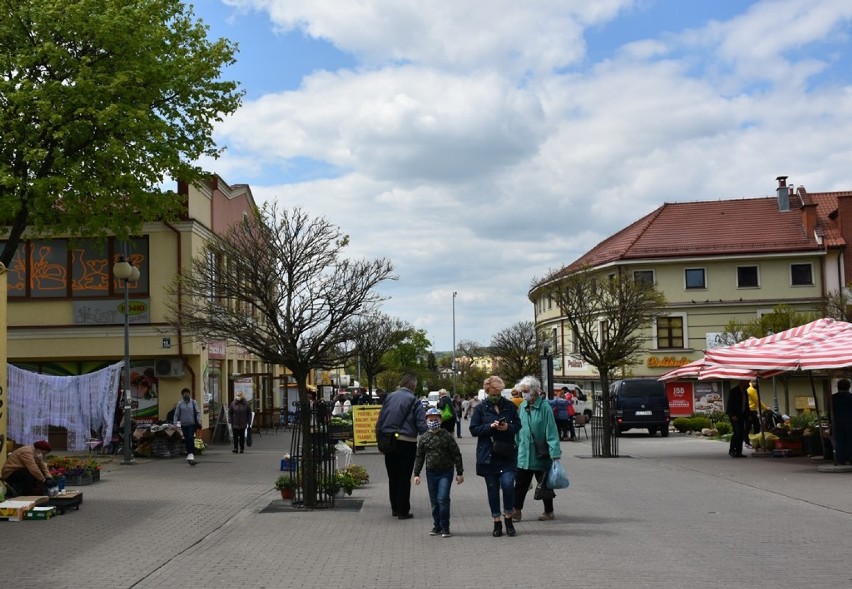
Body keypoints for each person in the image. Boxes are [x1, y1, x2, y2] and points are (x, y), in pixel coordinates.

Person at [470, 375, 521, 537]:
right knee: (492, 489)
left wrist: (507, 427)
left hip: (507, 454)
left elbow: (518, 425)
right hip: (488, 455)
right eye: (493, 394)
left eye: (498, 393)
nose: (496, 397)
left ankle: (508, 518)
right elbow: (474, 429)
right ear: (487, 392)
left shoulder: (509, 406)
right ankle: (497, 521)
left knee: (507, 485)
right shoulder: (480, 408)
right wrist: (489, 427)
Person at [375, 373, 427, 519]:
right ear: (413, 386)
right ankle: (403, 510)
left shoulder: (390, 397)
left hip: (389, 441)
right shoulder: (414, 401)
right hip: (407, 442)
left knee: (393, 476)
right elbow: (421, 425)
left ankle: (395, 508)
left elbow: (381, 419)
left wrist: (379, 439)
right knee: (404, 476)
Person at [512, 376, 562, 522]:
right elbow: (518, 428)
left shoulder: (544, 407)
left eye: (526, 391)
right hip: (524, 454)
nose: (524, 394)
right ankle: (517, 510)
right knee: (520, 484)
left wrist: (555, 453)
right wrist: (516, 444)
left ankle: (549, 511)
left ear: (534, 391)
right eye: (522, 391)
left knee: (544, 485)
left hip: (541, 454)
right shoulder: (522, 406)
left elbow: (551, 431)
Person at [413, 408, 464, 538]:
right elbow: (419, 457)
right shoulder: (424, 438)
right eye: (430, 420)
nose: (433, 422)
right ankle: (437, 526)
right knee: (434, 501)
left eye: (436, 419)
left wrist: (459, 472)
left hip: (446, 472)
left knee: (443, 498)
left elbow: (456, 454)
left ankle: (445, 527)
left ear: (440, 420)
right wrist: (416, 474)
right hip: (431, 473)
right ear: (426, 421)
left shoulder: (446, 436)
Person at [174, 388, 203, 462]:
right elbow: (176, 414)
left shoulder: (193, 402)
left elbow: (198, 412)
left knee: (190, 437)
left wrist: (199, 420)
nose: (186, 395)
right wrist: (175, 424)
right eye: (184, 394)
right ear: (182, 395)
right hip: (184, 424)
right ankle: (189, 452)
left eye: (187, 393)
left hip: (192, 424)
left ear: (189, 394)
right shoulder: (180, 404)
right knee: (186, 439)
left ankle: (191, 453)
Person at [831, 378, 852, 465]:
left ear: (838, 387)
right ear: (849, 387)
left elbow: (830, 411)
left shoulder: (833, 398)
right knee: (850, 440)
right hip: (850, 421)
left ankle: (840, 459)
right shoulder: (851, 397)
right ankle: (850, 458)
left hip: (837, 421)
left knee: (839, 441)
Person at [726, 380, 749, 458]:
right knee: (737, 432)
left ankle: (739, 452)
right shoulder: (734, 391)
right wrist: (732, 414)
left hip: (741, 414)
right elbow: (730, 403)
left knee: (741, 433)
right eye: (747, 382)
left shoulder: (745, 392)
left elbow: (746, 404)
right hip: (734, 415)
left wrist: (748, 415)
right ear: (742, 382)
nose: (748, 383)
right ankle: (732, 450)